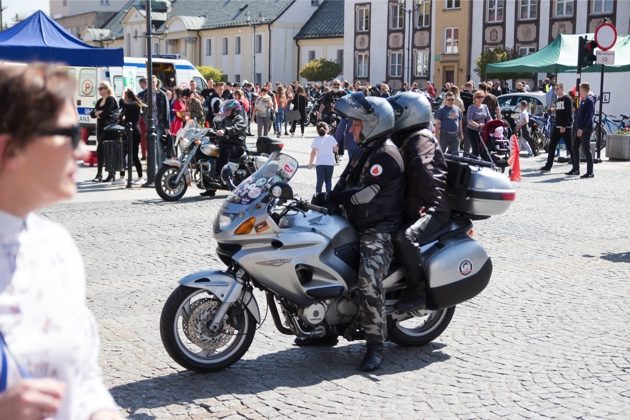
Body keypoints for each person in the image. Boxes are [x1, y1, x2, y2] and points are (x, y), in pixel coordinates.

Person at [0, 63, 121, 420]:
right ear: (9, 150)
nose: (82, 152)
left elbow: (82, 378)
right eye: (69, 135)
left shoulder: (55, 245)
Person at [312, 93, 405, 372]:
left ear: (372, 123)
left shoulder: (386, 155)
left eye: (355, 124)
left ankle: (375, 345)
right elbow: (343, 184)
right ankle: (324, 328)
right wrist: (320, 199)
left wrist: (335, 200)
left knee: (368, 281)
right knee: (322, 262)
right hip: (355, 222)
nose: (351, 128)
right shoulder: (365, 149)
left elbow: (365, 195)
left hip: (378, 228)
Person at [387, 92, 450, 311]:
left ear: (411, 114)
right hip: (416, 203)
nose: (392, 117)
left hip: (432, 207)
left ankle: (419, 291)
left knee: (405, 237)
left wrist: (415, 206)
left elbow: (423, 173)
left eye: (396, 113)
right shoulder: (406, 137)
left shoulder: (421, 137)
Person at [201, 99, 247, 197]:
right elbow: (217, 130)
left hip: (237, 146)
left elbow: (236, 128)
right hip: (225, 144)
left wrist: (225, 131)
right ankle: (210, 187)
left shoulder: (239, 119)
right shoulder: (224, 120)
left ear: (234, 110)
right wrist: (207, 131)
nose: (225, 112)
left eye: (228, 110)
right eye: (225, 110)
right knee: (209, 154)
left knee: (224, 151)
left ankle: (219, 175)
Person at [90, 80, 118, 183]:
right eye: (99, 88)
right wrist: (98, 113)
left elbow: (106, 113)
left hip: (109, 129)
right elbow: (92, 114)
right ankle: (111, 174)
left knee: (101, 150)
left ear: (106, 89)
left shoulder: (111, 99)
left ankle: (100, 174)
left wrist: (98, 113)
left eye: (101, 88)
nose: (99, 90)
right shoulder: (99, 101)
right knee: (105, 151)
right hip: (100, 128)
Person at [541, 83, 573, 172]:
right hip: (557, 126)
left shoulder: (567, 99)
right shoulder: (558, 100)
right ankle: (548, 166)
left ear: (562, 89)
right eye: (555, 89)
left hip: (565, 127)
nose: (556, 91)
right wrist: (553, 110)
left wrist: (563, 126)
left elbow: (568, 113)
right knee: (551, 146)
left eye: (558, 89)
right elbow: (560, 111)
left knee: (569, 147)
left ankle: (575, 167)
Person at [569, 82, 596, 178]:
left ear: (584, 89)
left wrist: (581, 128)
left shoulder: (589, 100)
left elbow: (589, 116)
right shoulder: (583, 100)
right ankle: (576, 169)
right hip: (578, 127)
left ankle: (590, 172)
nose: (578, 91)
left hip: (585, 128)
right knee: (574, 146)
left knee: (586, 149)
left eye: (579, 89)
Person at [120, 89, 145, 184]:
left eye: (126, 97)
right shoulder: (129, 106)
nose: (124, 99)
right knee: (123, 154)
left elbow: (122, 103)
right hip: (127, 132)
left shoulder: (134, 104)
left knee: (134, 156)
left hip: (134, 133)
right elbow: (123, 113)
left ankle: (140, 177)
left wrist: (122, 94)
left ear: (129, 97)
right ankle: (122, 177)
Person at [308, 122, 338, 194]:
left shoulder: (316, 139)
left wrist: (310, 163)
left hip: (320, 163)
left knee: (319, 181)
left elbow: (313, 152)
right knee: (328, 181)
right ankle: (328, 197)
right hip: (329, 163)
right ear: (327, 129)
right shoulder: (331, 138)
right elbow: (335, 149)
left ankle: (317, 197)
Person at [466, 91, 492, 159]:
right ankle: (472, 163)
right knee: (476, 149)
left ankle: (484, 163)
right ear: (474, 98)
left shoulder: (485, 106)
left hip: (483, 130)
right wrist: (478, 125)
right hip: (473, 130)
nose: (480, 98)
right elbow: (469, 120)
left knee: (483, 149)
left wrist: (490, 124)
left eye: (482, 97)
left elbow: (489, 118)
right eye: (478, 97)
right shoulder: (471, 107)